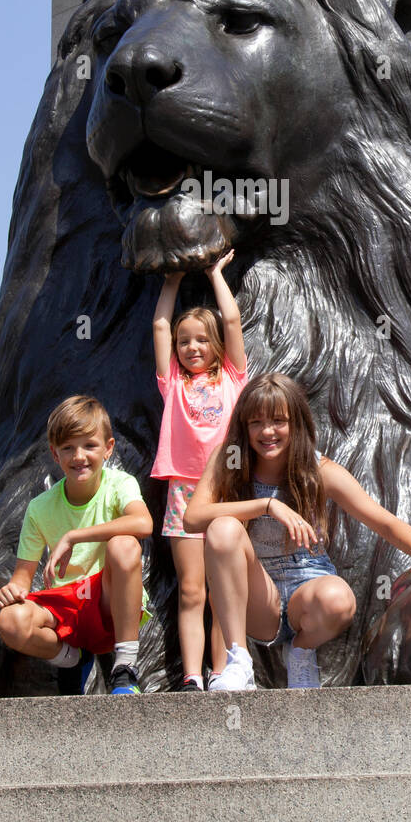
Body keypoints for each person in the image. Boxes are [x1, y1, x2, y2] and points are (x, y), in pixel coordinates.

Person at [184, 373, 411, 692]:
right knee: (223, 528)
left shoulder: (318, 470)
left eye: (278, 421)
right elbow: (193, 518)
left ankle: (300, 651)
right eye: (256, 422)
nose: (267, 431)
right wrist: (267, 505)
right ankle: (239, 660)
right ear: (244, 426)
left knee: (338, 600)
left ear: (296, 423)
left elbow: (382, 520)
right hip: (258, 596)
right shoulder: (228, 460)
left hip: (307, 590)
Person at [0, 395, 152, 695]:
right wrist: (12, 590)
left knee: (125, 546)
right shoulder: (39, 507)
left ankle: (125, 666)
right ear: (55, 455)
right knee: (10, 621)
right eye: (68, 447)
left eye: (89, 445)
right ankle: (71, 658)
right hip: (66, 605)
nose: (79, 456)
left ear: (108, 449)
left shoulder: (120, 483)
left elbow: (143, 523)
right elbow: (22, 579)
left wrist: (74, 536)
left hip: (109, 600)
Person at [152, 250, 248, 690]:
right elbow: (158, 326)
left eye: (200, 341)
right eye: (184, 341)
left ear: (216, 348)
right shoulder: (172, 382)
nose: (192, 348)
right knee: (194, 591)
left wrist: (214, 276)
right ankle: (191, 676)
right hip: (183, 493)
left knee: (223, 591)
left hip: (226, 491)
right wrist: (170, 281)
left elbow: (231, 322)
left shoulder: (232, 377)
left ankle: (221, 672)